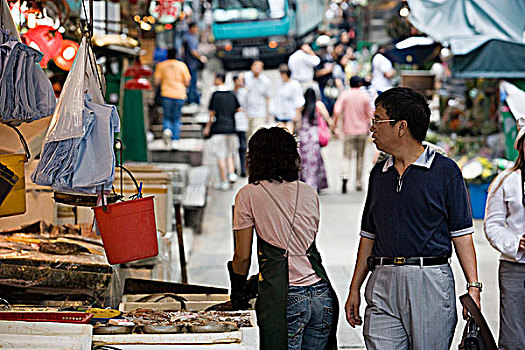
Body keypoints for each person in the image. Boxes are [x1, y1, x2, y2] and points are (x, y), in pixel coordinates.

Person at [345, 87, 481, 349]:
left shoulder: (445, 171)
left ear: (401, 127)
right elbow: (368, 235)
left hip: (428, 280)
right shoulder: (379, 174)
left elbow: (462, 234)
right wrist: (354, 288)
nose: (372, 128)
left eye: (377, 120)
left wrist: (473, 286)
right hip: (382, 280)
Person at [230, 126, 338, 349]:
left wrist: (238, 289)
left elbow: (242, 256)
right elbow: (301, 246)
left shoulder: (248, 194)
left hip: (286, 298)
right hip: (322, 294)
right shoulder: (309, 192)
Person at [484, 117, 525, 350]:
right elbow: (492, 225)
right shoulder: (506, 181)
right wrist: (516, 242)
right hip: (515, 267)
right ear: (521, 147)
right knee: (514, 337)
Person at [332, 76, 373, 193]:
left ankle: (345, 176)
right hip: (362, 131)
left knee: (346, 156)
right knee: (360, 157)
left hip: (348, 131)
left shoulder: (345, 95)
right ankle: (358, 182)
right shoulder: (364, 96)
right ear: (360, 84)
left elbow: (337, 111)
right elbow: (370, 114)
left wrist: (334, 126)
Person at [204, 71, 240, 190]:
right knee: (230, 154)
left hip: (218, 129)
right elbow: (238, 109)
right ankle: (231, 173)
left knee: (220, 156)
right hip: (231, 128)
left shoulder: (215, 95)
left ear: (219, 79)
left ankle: (224, 181)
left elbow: (212, 114)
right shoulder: (232, 94)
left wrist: (207, 127)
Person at [153, 48, 191, 145]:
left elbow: (157, 81)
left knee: (167, 117)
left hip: (166, 93)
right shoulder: (182, 66)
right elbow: (187, 82)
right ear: (176, 55)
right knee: (176, 118)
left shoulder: (161, 65)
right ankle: (175, 140)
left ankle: (167, 130)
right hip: (179, 94)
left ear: (167, 55)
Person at [297, 88, 331, 192]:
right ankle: (314, 183)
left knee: (304, 162)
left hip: (303, 137)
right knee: (315, 161)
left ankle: (305, 183)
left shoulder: (301, 108)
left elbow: (298, 124)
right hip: (314, 137)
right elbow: (327, 118)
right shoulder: (318, 105)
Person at [271, 64, 305, 133]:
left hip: (291, 114)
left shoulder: (295, 84)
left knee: (289, 134)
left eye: (283, 73)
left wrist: (297, 114)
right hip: (280, 114)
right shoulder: (279, 84)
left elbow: (298, 100)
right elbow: (276, 98)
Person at [244, 60, 271, 138]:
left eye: (259, 66)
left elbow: (268, 97)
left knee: (256, 134)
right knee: (247, 134)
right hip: (247, 111)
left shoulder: (266, 81)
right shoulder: (246, 77)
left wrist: (268, 113)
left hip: (260, 111)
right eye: (255, 66)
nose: (257, 68)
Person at [183, 22, 207, 105]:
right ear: (191, 28)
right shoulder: (190, 38)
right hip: (191, 63)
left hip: (190, 63)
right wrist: (201, 58)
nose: (197, 30)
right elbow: (193, 51)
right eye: (195, 28)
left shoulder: (189, 36)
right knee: (192, 81)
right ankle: (192, 99)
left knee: (193, 81)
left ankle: (193, 97)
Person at [233, 72, 248, 177]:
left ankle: (243, 169)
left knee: (242, 146)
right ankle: (234, 168)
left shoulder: (246, 92)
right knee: (234, 147)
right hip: (233, 123)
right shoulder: (232, 93)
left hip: (243, 121)